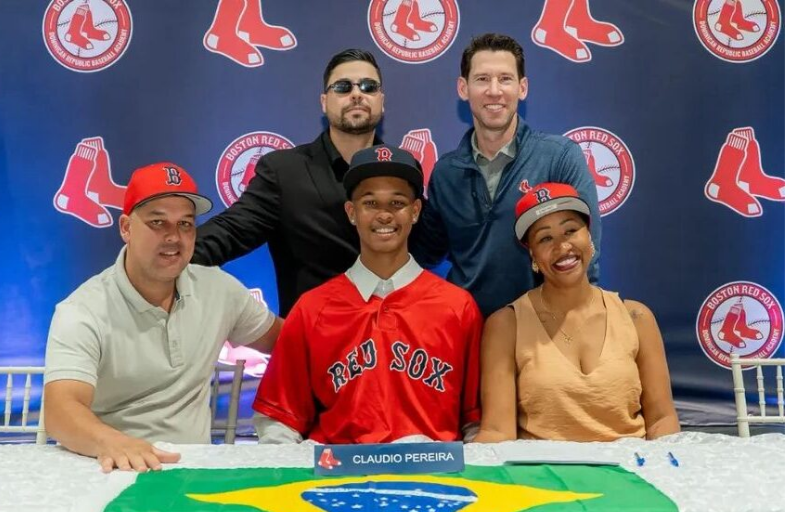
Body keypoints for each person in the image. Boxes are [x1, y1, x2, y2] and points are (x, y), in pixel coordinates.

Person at [44, 163, 283, 472]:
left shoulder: (218, 288)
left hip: (193, 473)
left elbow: (288, 341)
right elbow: (61, 410)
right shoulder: (83, 310)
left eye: (186, 224)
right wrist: (114, 443)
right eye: (158, 222)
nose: (174, 237)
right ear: (126, 228)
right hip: (112, 471)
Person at [252, 145, 482, 444]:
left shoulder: (457, 307)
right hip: (337, 481)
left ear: (415, 212)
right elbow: (279, 421)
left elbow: (477, 423)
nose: (384, 215)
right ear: (351, 212)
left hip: (431, 479)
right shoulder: (313, 308)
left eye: (397, 202)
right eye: (370, 202)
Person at [411, 33, 601, 317]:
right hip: (469, 335)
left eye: (505, 79)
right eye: (482, 79)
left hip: (545, 333)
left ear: (522, 88)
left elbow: (587, 253)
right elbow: (424, 253)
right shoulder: (445, 173)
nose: (494, 91)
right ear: (463, 88)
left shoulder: (559, 157)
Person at [475, 183, 680, 442]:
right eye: (545, 238)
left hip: (629, 475)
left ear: (589, 237)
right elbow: (496, 432)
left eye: (570, 230)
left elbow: (662, 420)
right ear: (532, 253)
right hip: (543, 478)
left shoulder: (637, 317)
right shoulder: (506, 325)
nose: (562, 247)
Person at [191, 48, 386, 316]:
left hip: (395, 349)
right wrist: (164, 254)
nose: (356, 94)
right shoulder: (284, 172)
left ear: (381, 100)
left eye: (368, 86)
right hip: (313, 346)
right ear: (323, 101)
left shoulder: (402, 173)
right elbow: (230, 232)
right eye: (342, 87)